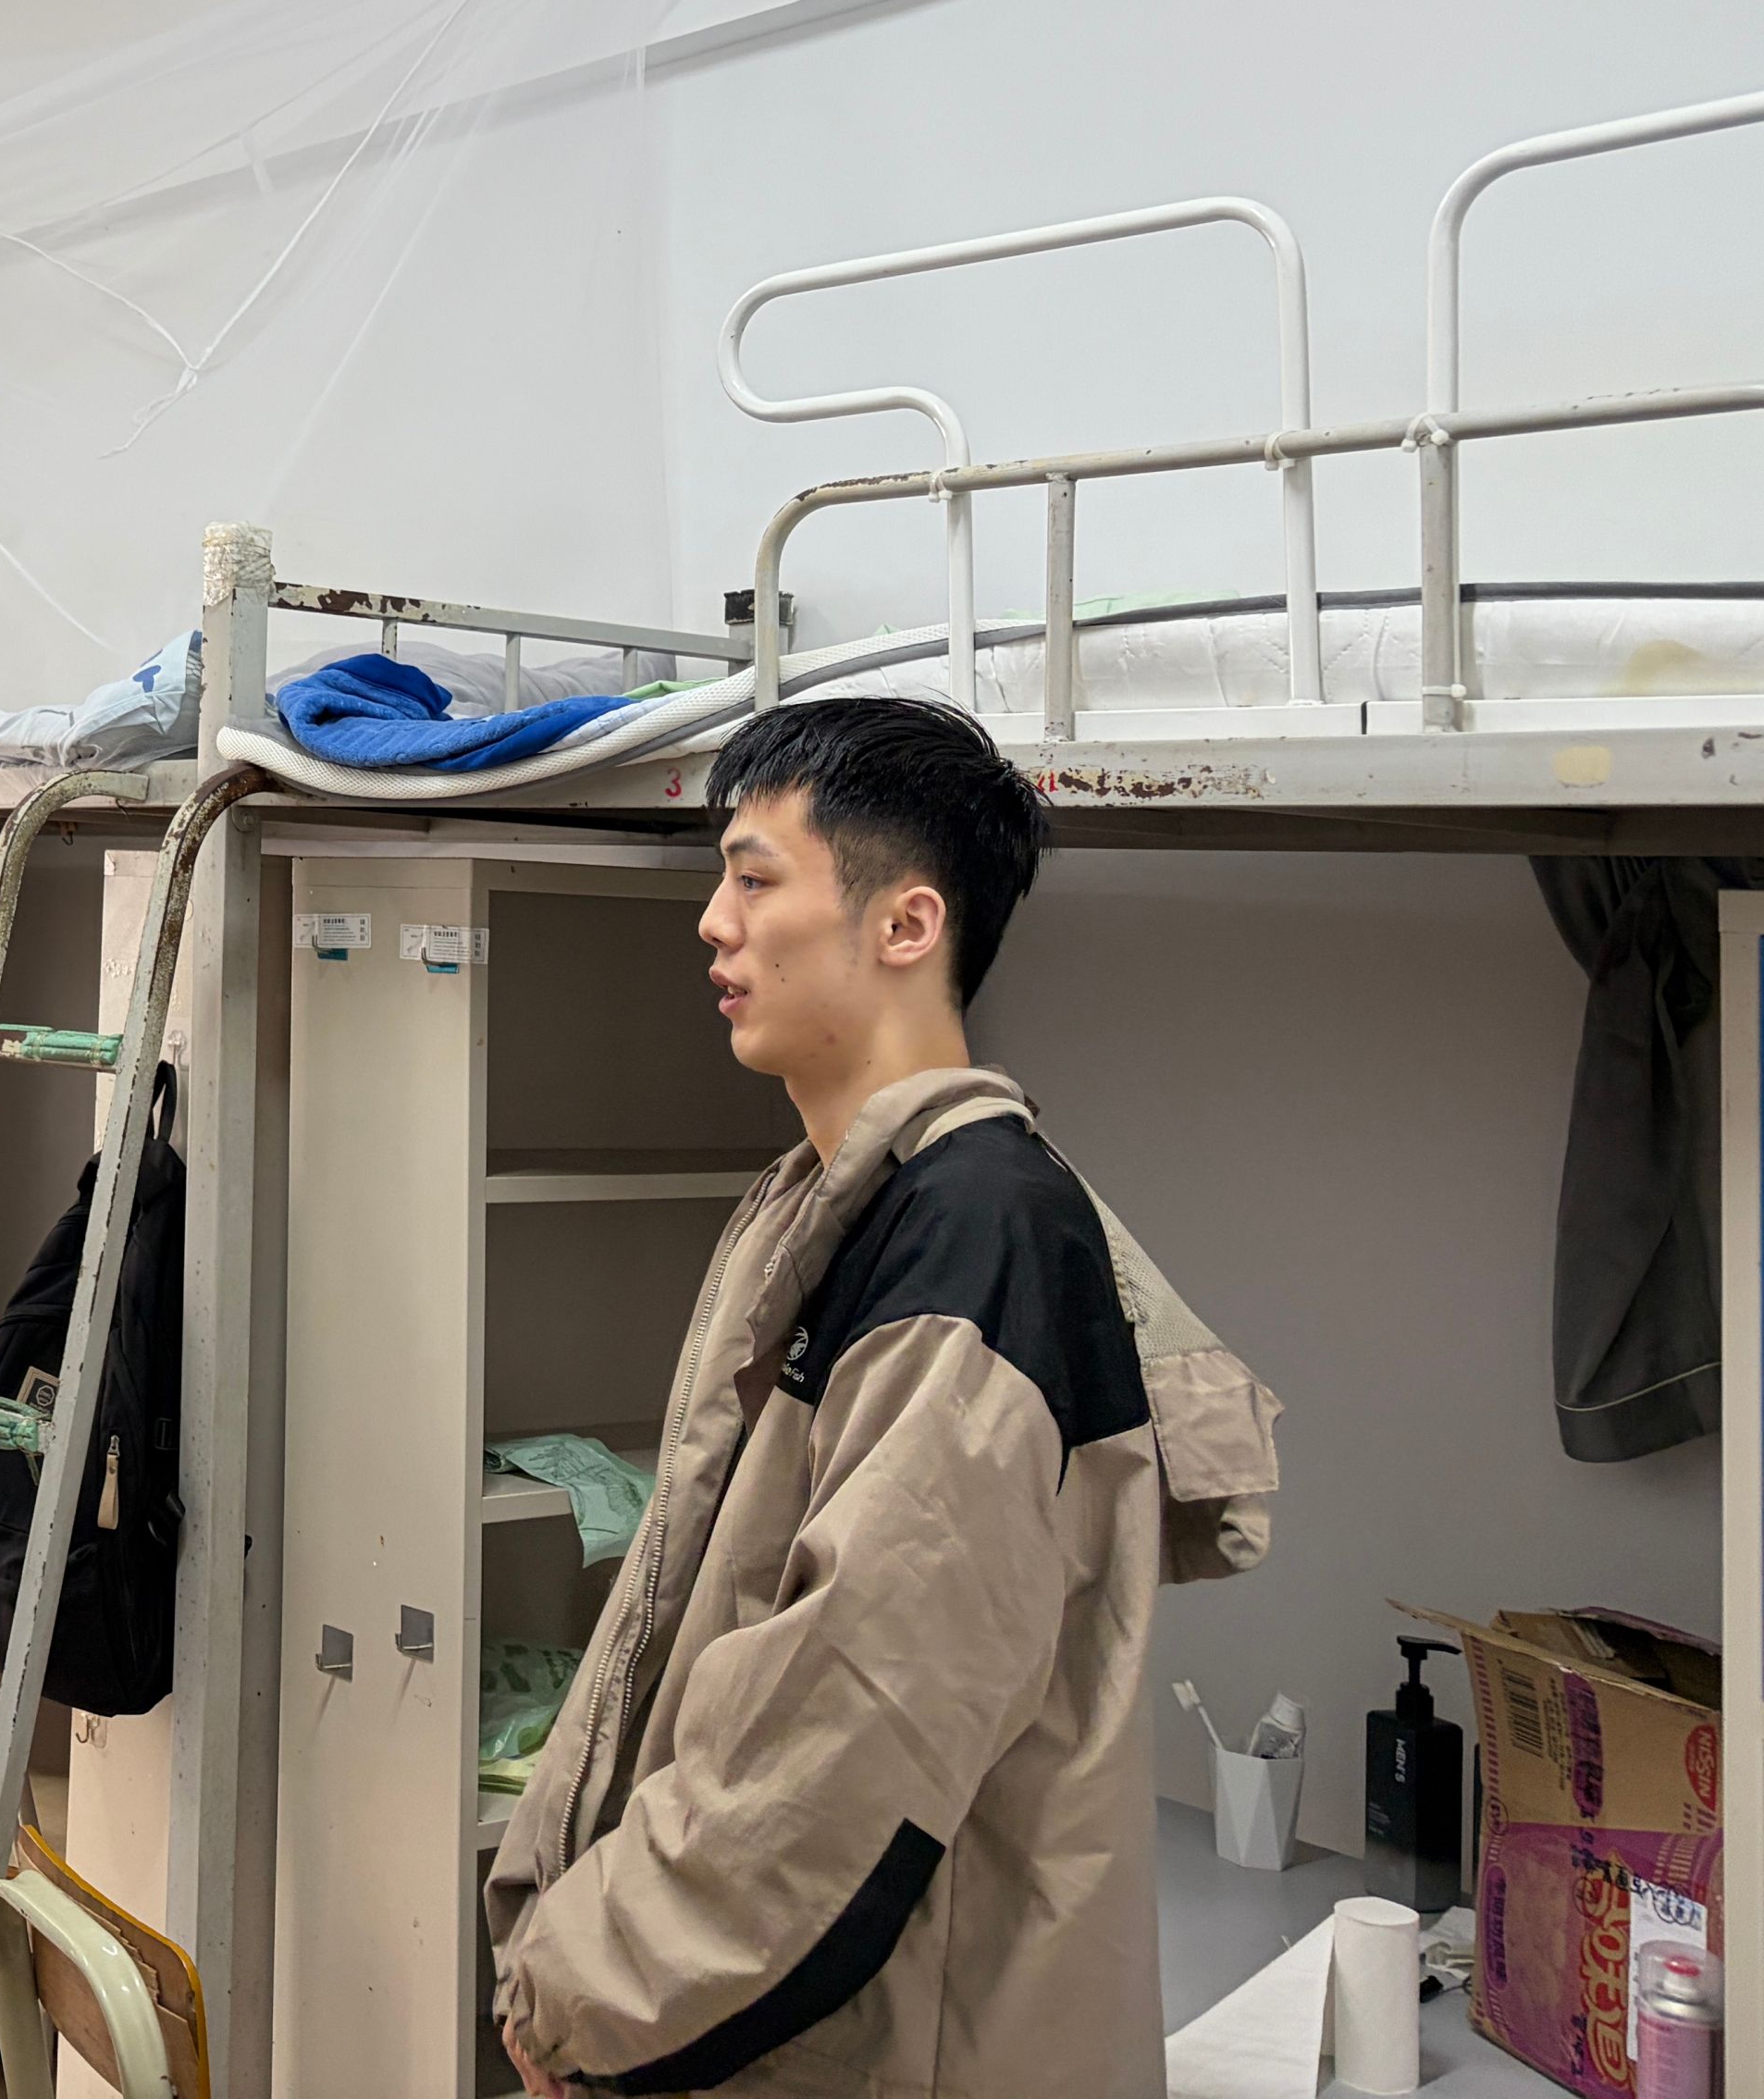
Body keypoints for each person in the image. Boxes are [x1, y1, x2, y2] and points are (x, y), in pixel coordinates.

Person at [485, 697, 1279, 2098]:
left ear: (905, 925)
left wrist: (588, 1992)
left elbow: (845, 1740)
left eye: (755, 878)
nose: (712, 925)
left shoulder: (975, 1234)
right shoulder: (847, 1199)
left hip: (904, 2046)